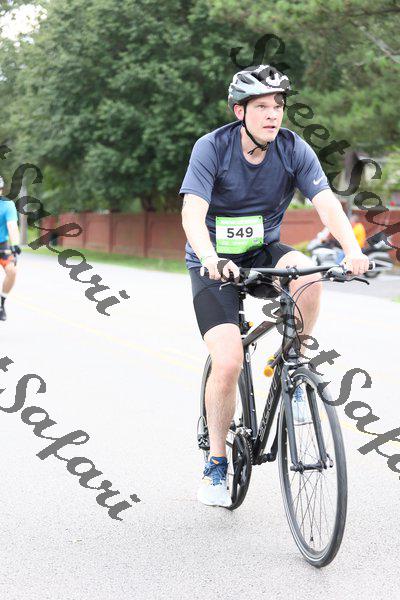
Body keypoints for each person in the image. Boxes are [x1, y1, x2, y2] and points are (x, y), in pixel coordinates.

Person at [180, 64, 369, 508]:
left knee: (309, 274)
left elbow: (327, 204)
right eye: (262, 106)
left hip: (263, 252)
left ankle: (292, 362)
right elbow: (192, 212)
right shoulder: (212, 148)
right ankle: (217, 462)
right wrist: (210, 258)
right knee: (228, 360)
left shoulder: (293, 148)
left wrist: (351, 250)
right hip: (214, 263)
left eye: (278, 106)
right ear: (239, 111)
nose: (272, 114)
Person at [0, 176, 21, 321]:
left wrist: (14, 245)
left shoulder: (8, 205)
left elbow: (12, 226)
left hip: (2, 244)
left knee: (12, 271)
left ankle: (1, 303)